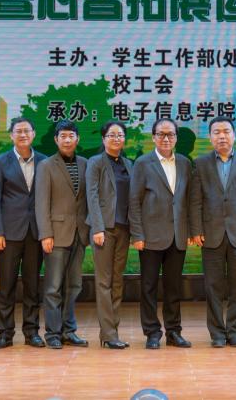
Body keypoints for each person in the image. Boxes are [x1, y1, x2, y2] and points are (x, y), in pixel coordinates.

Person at [190, 117, 236, 348]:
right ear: (210, 137)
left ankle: (234, 333)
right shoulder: (201, 163)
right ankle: (217, 334)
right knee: (213, 288)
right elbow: (196, 200)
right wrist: (196, 229)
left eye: (226, 131)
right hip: (210, 234)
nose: (222, 136)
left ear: (234, 135)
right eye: (217, 132)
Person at [128, 118, 193, 349]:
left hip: (177, 235)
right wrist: (137, 234)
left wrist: (190, 231)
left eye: (170, 134)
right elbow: (134, 200)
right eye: (161, 134)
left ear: (176, 137)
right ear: (153, 137)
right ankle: (152, 333)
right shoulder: (143, 163)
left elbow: (189, 200)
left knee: (174, 287)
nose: (166, 138)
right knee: (149, 287)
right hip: (150, 236)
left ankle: (174, 332)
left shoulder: (185, 163)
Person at [0, 117, 47, 349]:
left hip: (35, 232)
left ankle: (32, 332)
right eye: (18, 131)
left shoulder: (44, 161)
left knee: (33, 286)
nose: (23, 135)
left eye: (27, 131)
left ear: (34, 134)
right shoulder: (0, 162)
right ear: (11, 135)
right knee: (7, 286)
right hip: (9, 233)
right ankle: (5, 333)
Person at [35, 120, 90, 349]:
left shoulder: (86, 164)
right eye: (63, 136)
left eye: (71, 136)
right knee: (53, 287)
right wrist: (45, 234)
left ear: (77, 139)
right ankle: (53, 333)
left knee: (74, 285)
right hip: (56, 235)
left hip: (80, 233)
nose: (67, 140)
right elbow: (41, 203)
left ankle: (69, 331)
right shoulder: (46, 165)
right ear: (56, 139)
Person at [86, 121, 135, 349]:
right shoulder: (96, 162)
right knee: (103, 282)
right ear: (103, 139)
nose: (116, 138)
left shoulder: (128, 164)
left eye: (120, 135)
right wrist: (97, 228)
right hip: (104, 229)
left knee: (117, 280)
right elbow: (92, 196)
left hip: (124, 228)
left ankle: (112, 330)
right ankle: (108, 334)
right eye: (111, 135)